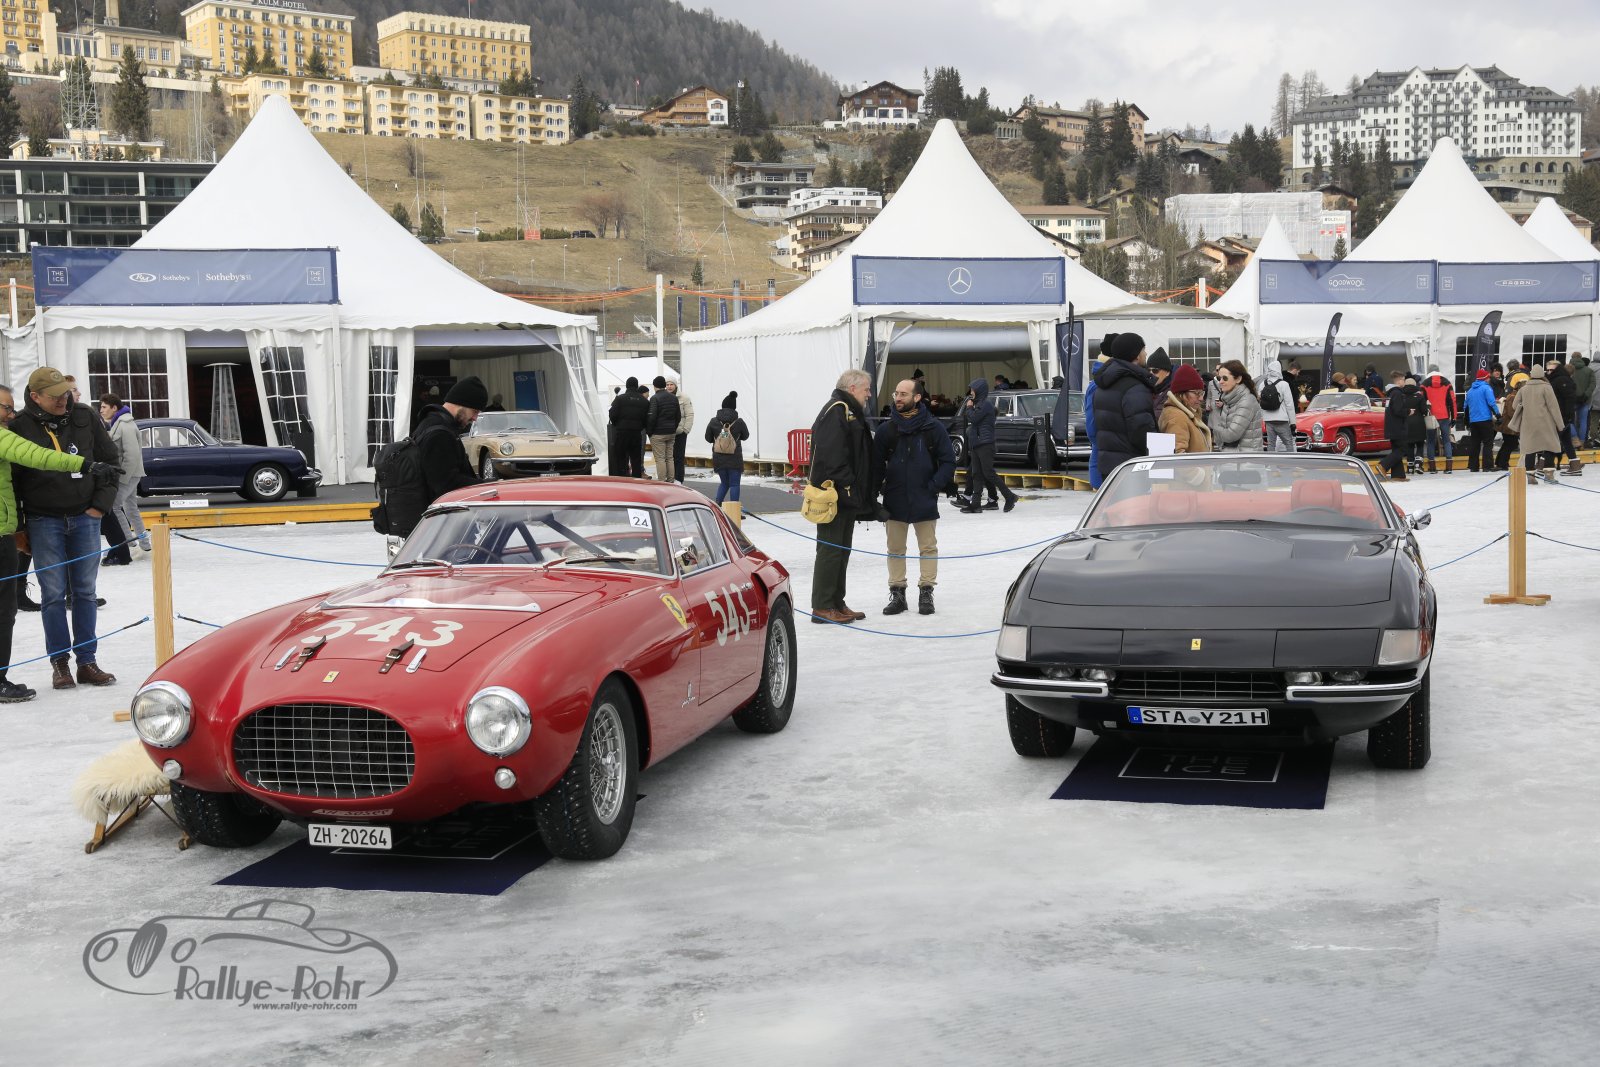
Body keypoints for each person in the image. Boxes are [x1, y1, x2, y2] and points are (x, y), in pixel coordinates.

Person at [9, 368, 124, 690]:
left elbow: (111, 463)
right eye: (54, 396)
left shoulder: (85, 416)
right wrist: (20, 527)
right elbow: (12, 481)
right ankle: (59, 663)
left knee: (85, 592)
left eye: (65, 393)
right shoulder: (19, 425)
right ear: (35, 397)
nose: (63, 400)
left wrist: (99, 507)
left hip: (85, 518)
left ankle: (87, 662)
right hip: (43, 520)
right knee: (53, 595)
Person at [0, 384, 94, 702]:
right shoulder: (5, 435)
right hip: (11, 530)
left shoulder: (83, 416)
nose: (10, 414)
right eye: (5, 407)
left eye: (11, 407)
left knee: (7, 609)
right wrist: (82, 464)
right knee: (7, 610)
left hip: (8, 530)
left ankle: (85, 661)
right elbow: (36, 456)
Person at [874, 379, 956, 616]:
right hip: (895, 498)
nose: (898, 398)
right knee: (895, 549)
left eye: (903, 394)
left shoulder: (934, 428)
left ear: (917, 398)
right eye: (896, 393)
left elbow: (948, 461)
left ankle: (926, 591)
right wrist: (873, 494)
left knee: (928, 548)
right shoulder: (886, 430)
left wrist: (933, 486)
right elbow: (875, 466)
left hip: (924, 498)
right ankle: (898, 594)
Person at [808, 369, 879, 625]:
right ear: (852, 388)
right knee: (831, 550)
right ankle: (823, 605)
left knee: (842, 550)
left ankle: (836, 602)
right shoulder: (836, 411)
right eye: (866, 389)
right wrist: (848, 484)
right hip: (835, 494)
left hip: (845, 494)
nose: (869, 394)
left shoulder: (846, 410)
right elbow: (833, 455)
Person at [411, 375, 484, 505]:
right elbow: (446, 485)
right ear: (461, 404)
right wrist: (487, 485)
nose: (475, 418)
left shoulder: (434, 424)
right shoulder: (439, 434)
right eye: (475, 411)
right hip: (440, 513)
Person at [1092, 333, 1158, 477]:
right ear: (1136, 355)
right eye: (1143, 350)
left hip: (1108, 466)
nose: (1146, 354)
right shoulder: (1135, 387)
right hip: (1132, 467)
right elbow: (1141, 431)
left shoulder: (1103, 386)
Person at [98, 394, 150, 553]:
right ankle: (144, 544)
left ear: (114, 408)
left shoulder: (125, 425)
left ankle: (129, 543)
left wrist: (122, 477)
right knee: (130, 508)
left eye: (104, 407)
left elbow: (132, 455)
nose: (101, 410)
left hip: (127, 474)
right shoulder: (119, 423)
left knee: (113, 507)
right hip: (130, 474)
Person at [959, 377, 1018, 514]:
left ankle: (1009, 496)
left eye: (973, 390)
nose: (971, 392)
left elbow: (974, 418)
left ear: (979, 391)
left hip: (985, 444)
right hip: (977, 443)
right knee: (976, 474)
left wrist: (969, 407)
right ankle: (975, 504)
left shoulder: (985, 405)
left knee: (988, 473)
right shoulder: (979, 404)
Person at [1507, 364, 1563, 484]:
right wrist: (1560, 424)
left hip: (1528, 423)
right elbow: (1554, 407)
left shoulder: (1523, 389)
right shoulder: (1547, 387)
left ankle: (1530, 476)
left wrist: (1524, 405)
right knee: (1550, 447)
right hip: (1546, 423)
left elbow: (1514, 405)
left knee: (1529, 449)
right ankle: (1549, 475)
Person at [703, 392, 749, 525]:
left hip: (719, 458)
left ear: (722, 406)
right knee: (734, 484)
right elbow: (746, 436)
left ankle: (717, 507)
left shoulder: (714, 421)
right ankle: (735, 511)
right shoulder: (739, 422)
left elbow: (707, 438)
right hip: (735, 457)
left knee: (724, 483)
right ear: (734, 407)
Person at [1208, 359, 1264, 452]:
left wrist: (1215, 430)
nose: (1220, 382)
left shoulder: (1247, 400)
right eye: (1219, 378)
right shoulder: (1229, 399)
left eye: (1225, 378)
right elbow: (1224, 433)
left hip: (1245, 458)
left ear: (1238, 379)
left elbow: (1231, 435)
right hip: (1233, 456)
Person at [1158, 365, 1213, 454]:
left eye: (1202, 393)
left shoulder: (1186, 413)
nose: (1201, 398)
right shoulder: (1177, 417)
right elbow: (1178, 456)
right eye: (1197, 393)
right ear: (1181, 394)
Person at [608, 376, 649, 477]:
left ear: (626, 386)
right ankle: (636, 480)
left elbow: (612, 414)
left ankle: (622, 479)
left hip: (622, 432)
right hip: (636, 433)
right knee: (636, 459)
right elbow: (647, 418)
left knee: (621, 458)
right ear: (637, 386)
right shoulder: (644, 401)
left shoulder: (619, 399)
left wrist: (617, 424)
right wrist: (640, 426)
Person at [1545, 360, 1581, 475]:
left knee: (1552, 440)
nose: (1549, 372)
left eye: (1551, 369)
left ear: (1557, 369)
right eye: (1547, 369)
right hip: (1560, 415)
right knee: (1566, 441)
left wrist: (1567, 416)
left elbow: (1569, 399)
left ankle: (1544, 466)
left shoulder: (1561, 380)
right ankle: (1575, 465)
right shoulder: (1554, 379)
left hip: (1561, 416)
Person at [1420, 365, 1457, 474]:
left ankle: (1432, 468)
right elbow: (1452, 401)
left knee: (1430, 441)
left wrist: (1423, 415)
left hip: (1430, 416)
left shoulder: (1424, 384)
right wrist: (1454, 417)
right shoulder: (1447, 383)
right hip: (1444, 416)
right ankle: (1449, 467)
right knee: (1446, 440)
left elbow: (1421, 402)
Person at [1463, 368, 1499, 473]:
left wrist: (1467, 420)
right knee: (1488, 443)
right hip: (1485, 419)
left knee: (1475, 443)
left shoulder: (1470, 391)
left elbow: (1466, 406)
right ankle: (1487, 466)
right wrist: (1498, 415)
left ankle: (1473, 466)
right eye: (1488, 377)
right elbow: (1491, 403)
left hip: (1473, 421)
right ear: (1485, 378)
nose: (1489, 379)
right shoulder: (1486, 388)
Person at [1379, 371, 1412, 480]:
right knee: (1402, 450)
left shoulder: (1390, 393)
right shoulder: (1397, 393)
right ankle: (1383, 465)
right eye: (1403, 380)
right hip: (1398, 427)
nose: (1404, 382)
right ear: (1399, 380)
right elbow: (1398, 410)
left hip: (1391, 426)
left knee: (1397, 449)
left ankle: (1398, 475)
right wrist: (1408, 411)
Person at [646, 375, 680, 482]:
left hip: (658, 433)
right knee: (669, 457)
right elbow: (678, 416)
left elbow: (652, 417)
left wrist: (649, 432)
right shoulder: (674, 397)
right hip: (671, 432)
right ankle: (670, 480)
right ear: (664, 385)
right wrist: (673, 427)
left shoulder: (654, 398)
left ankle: (661, 481)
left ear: (655, 386)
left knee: (660, 458)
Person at [1260, 359, 1297, 453]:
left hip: (1268, 420)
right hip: (1282, 420)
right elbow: (1289, 405)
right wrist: (1293, 422)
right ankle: (1290, 461)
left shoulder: (1262, 384)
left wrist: (1263, 418)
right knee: (1288, 443)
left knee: (1271, 444)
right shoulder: (1284, 384)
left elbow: (1260, 402)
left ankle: (1271, 462)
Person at [1496, 372, 1528, 472]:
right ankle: (1502, 463)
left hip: (1508, 425)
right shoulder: (1513, 397)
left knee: (1508, 444)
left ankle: (1500, 462)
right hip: (1509, 426)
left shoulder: (1513, 396)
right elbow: (1511, 412)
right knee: (1510, 444)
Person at [667, 378, 693, 484]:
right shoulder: (664, 396)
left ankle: (678, 479)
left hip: (680, 432)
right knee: (669, 457)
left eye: (671, 384)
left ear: (675, 385)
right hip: (667, 431)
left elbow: (689, 414)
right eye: (667, 384)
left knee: (679, 456)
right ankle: (670, 478)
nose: (669, 386)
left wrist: (685, 430)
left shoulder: (684, 397)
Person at [1571, 353, 1595, 447]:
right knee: (1583, 421)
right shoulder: (1589, 370)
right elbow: (1593, 385)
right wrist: (1586, 395)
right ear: (1580, 358)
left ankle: (1574, 439)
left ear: (1572, 358)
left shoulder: (1568, 369)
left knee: (1569, 420)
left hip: (1572, 399)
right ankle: (1582, 442)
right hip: (1585, 400)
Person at [1146, 347, 1173, 421]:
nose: (1151, 373)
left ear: (1167, 372)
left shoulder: (1171, 393)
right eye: (1148, 370)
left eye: (1155, 370)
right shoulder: (1147, 388)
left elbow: (1158, 417)